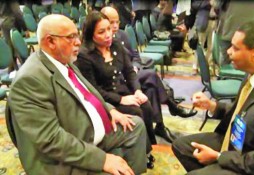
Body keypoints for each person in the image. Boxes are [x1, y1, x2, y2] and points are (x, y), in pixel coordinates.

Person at [6, 14, 147, 175]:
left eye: (77, 35)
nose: (78, 42)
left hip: (88, 130)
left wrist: (110, 110)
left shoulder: (63, 60)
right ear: (51, 41)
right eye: (71, 37)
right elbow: (51, 140)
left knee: (136, 126)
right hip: (62, 157)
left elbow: (88, 94)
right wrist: (102, 159)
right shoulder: (30, 80)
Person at [172, 19, 254, 175]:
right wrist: (213, 106)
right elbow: (245, 111)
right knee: (181, 146)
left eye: (235, 48)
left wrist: (219, 157)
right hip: (239, 142)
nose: (228, 51)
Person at [101, 6, 197, 143]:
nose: (115, 25)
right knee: (152, 75)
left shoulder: (122, 34)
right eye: (111, 22)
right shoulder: (103, 41)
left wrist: (135, 67)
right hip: (120, 81)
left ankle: (158, 126)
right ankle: (172, 106)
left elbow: (135, 56)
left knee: (151, 88)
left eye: (117, 21)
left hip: (132, 76)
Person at [75, 11, 156, 169]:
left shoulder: (116, 44)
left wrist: (137, 91)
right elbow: (93, 90)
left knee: (145, 105)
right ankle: (141, 153)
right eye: (101, 32)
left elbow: (129, 72)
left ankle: (145, 149)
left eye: (109, 29)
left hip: (122, 91)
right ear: (91, 34)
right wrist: (120, 100)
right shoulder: (85, 56)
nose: (108, 35)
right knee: (137, 112)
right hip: (105, 100)